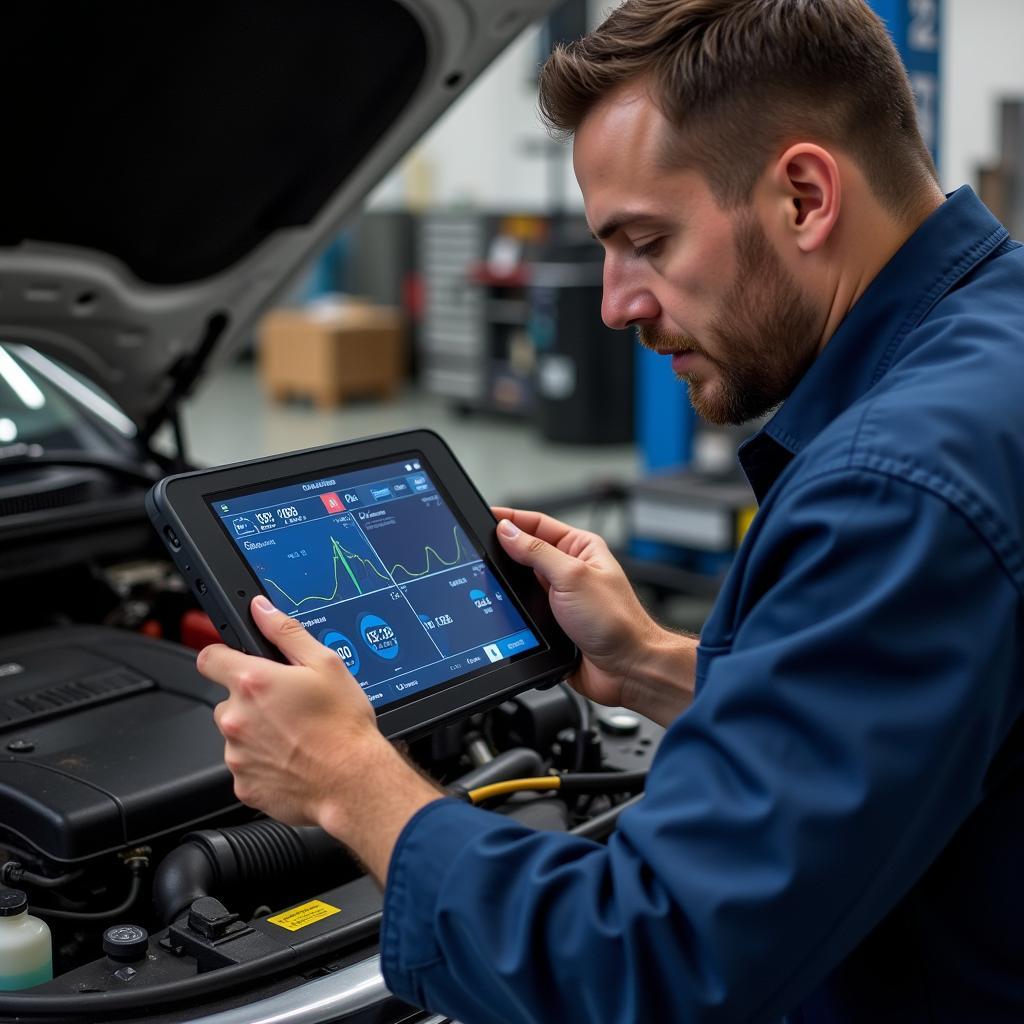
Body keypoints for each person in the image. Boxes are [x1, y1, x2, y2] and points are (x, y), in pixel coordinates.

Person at [197, 1, 1024, 1021]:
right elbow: (925, 716)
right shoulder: (995, 338)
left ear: (805, 196)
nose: (612, 303)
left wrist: (348, 780)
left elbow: (649, 961)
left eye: (645, 241)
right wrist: (646, 661)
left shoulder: (892, 486)